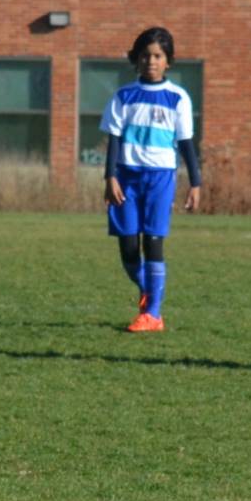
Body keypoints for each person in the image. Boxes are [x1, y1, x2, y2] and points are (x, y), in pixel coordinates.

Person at [101, 27, 202, 333]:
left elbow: (186, 144)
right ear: (137, 59)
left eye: (158, 56)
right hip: (126, 178)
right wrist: (110, 177)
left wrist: (195, 182)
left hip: (160, 178)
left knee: (154, 242)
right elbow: (114, 139)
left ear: (168, 60)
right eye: (145, 55)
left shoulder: (178, 98)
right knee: (129, 248)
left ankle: (153, 314)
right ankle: (149, 290)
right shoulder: (123, 96)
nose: (151, 61)